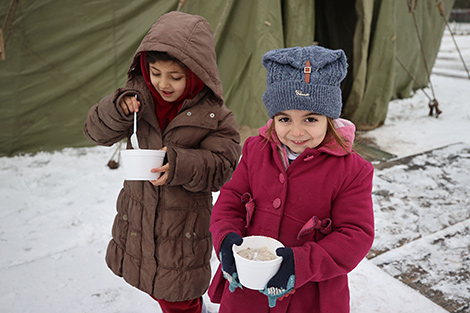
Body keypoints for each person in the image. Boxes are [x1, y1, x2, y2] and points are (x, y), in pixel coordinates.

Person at [83, 11, 241, 313]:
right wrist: (118, 110)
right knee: (156, 285)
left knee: (176, 295)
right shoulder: (137, 99)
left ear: (196, 74)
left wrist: (179, 164)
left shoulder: (214, 116)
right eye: (155, 73)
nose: (163, 84)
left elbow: (223, 165)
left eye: (175, 77)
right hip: (139, 218)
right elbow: (94, 131)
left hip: (182, 228)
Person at [208, 45, 374, 312]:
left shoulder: (352, 170)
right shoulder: (255, 150)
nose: (296, 132)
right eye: (285, 119)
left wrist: (300, 263)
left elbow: (355, 235)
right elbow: (231, 199)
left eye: (310, 119)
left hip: (309, 297)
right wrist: (226, 238)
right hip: (247, 291)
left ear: (329, 118)